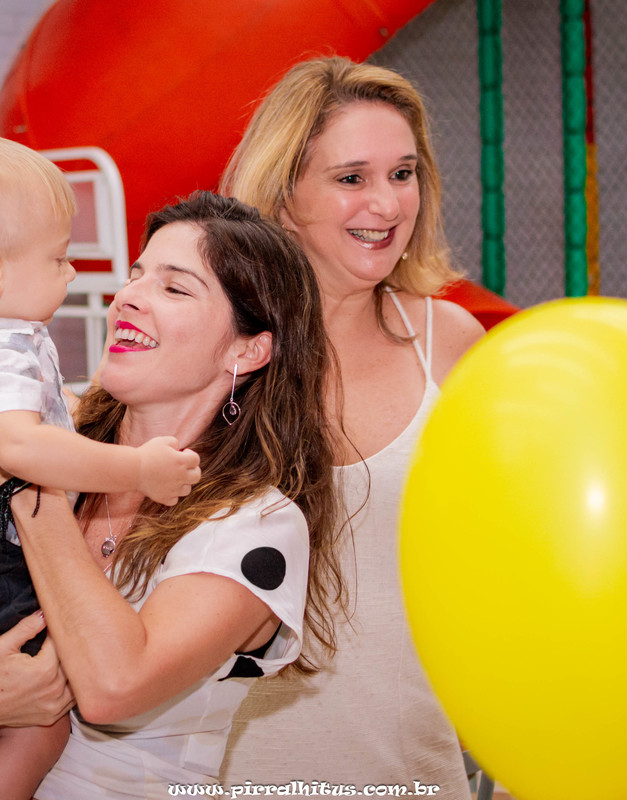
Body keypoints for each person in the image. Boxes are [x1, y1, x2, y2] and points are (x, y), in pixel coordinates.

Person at [0, 191, 344, 798]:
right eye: (135, 274)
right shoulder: (43, 430)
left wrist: (19, 484)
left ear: (247, 349)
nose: (129, 296)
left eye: (174, 288)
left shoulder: (255, 523)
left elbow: (112, 688)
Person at [0, 130, 202, 799]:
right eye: (58, 258)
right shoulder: (0, 349)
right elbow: (18, 449)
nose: (73, 273)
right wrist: (136, 469)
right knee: (38, 728)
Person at [217, 56, 486, 793]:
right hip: (230, 774)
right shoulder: (208, 353)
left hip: (410, 768)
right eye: (351, 178)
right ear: (283, 197)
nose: (388, 203)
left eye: (404, 174)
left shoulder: (451, 344)